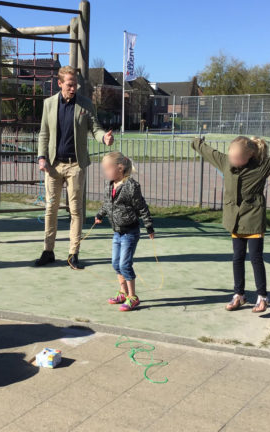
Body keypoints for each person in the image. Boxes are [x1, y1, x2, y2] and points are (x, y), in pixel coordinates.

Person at [190, 127, 270, 313]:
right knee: (237, 258)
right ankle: (239, 295)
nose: (232, 160)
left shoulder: (261, 167)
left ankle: (262, 297)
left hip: (253, 219)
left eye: (236, 158)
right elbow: (208, 151)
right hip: (234, 220)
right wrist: (196, 142)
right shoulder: (225, 162)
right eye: (231, 156)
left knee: (256, 259)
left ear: (248, 156)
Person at [35, 65, 115, 269]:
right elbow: (44, 133)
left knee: (76, 210)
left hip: (76, 166)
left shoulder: (86, 104)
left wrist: (104, 138)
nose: (74, 88)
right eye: (70, 85)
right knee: (50, 209)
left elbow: (95, 129)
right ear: (60, 83)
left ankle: (73, 254)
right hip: (53, 166)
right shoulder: (49, 104)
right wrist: (41, 157)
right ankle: (48, 251)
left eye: (75, 84)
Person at [94, 152, 154, 312]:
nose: (105, 173)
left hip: (130, 232)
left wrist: (148, 225)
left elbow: (142, 206)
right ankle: (123, 292)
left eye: (107, 169)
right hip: (117, 232)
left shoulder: (130, 186)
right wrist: (100, 214)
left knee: (124, 264)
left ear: (120, 168)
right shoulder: (109, 185)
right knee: (115, 263)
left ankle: (133, 297)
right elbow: (107, 204)